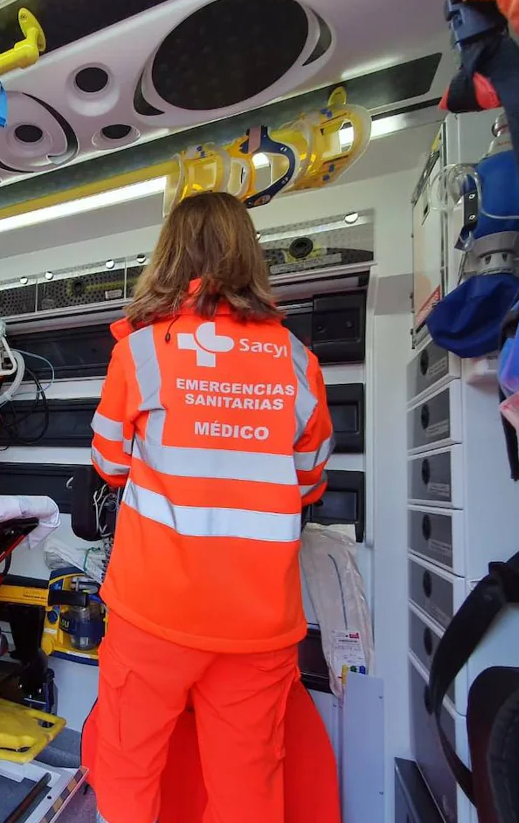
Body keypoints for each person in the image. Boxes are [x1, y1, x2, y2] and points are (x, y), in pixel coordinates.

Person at [89, 191, 334, 823]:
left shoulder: (140, 351)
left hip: (153, 615)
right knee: (247, 790)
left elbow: (110, 464)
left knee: (127, 769)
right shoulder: (300, 363)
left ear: (169, 256)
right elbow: (309, 483)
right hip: (258, 625)